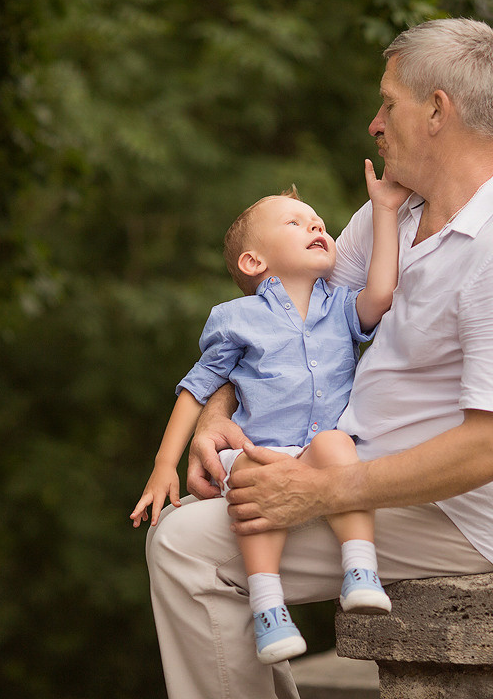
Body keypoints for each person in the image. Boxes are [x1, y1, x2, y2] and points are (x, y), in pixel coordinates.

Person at [145, 17, 493, 699]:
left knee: (185, 548)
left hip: (453, 514)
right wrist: (216, 416)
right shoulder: (400, 211)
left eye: (388, 103)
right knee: (192, 531)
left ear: (436, 110)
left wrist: (322, 492)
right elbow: (288, 322)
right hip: (345, 461)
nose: (374, 124)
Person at [131, 160, 411, 664]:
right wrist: (162, 465)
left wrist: (385, 209)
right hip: (257, 451)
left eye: (317, 220)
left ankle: (360, 569)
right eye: (295, 222)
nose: (316, 225)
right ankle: (267, 606)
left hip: (317, 456)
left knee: (337, 445)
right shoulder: (235, 319)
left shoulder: (340, 306)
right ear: (253, 261)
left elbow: (382, 295)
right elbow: (196, 389)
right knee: (259, 472)